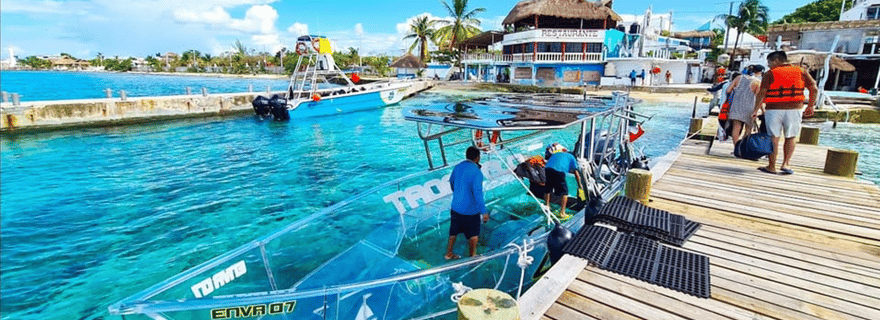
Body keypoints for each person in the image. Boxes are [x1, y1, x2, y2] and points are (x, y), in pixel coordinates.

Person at [752, 51, 818, 175]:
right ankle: (786, 164)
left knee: (773, 137)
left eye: (769, 62)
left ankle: (772, 166)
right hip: (795, 108)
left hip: (774, 108)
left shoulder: (770, 73)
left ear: (776, 61)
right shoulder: (801, 71)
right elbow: (813, 87)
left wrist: (756, 109)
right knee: (791, 136)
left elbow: (762, 92)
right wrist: (810, 106)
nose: (769, 65)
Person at [445, 146, 489, 259]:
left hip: (455, 207)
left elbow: (452, 182)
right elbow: (477, 194)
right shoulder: (477, 173)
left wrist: (459, 194)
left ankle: (449, 253)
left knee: (453, 231)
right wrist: (483, 212)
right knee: (474, 234)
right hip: (470, 210)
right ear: (477, 158)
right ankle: (472, 256)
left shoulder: (458, 167)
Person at [726, 65, 764, 143]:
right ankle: (743, 148)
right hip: (750, 107)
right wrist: (762, 110)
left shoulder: (738, 78)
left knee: (736, 127)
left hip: (736, 105)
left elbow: (728, 90)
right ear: (759, 72)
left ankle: (736, 148)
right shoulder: (757, 82)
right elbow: (759, 98)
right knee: (748, 129)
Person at [543, 143, 581, 219]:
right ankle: (562, 213)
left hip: (547, 168)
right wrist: (580, 185)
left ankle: (547, 206)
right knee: (565, 192)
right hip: (559, 170)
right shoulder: (572, 157)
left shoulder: (558, 154)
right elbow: (576, 174)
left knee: (548, 188)